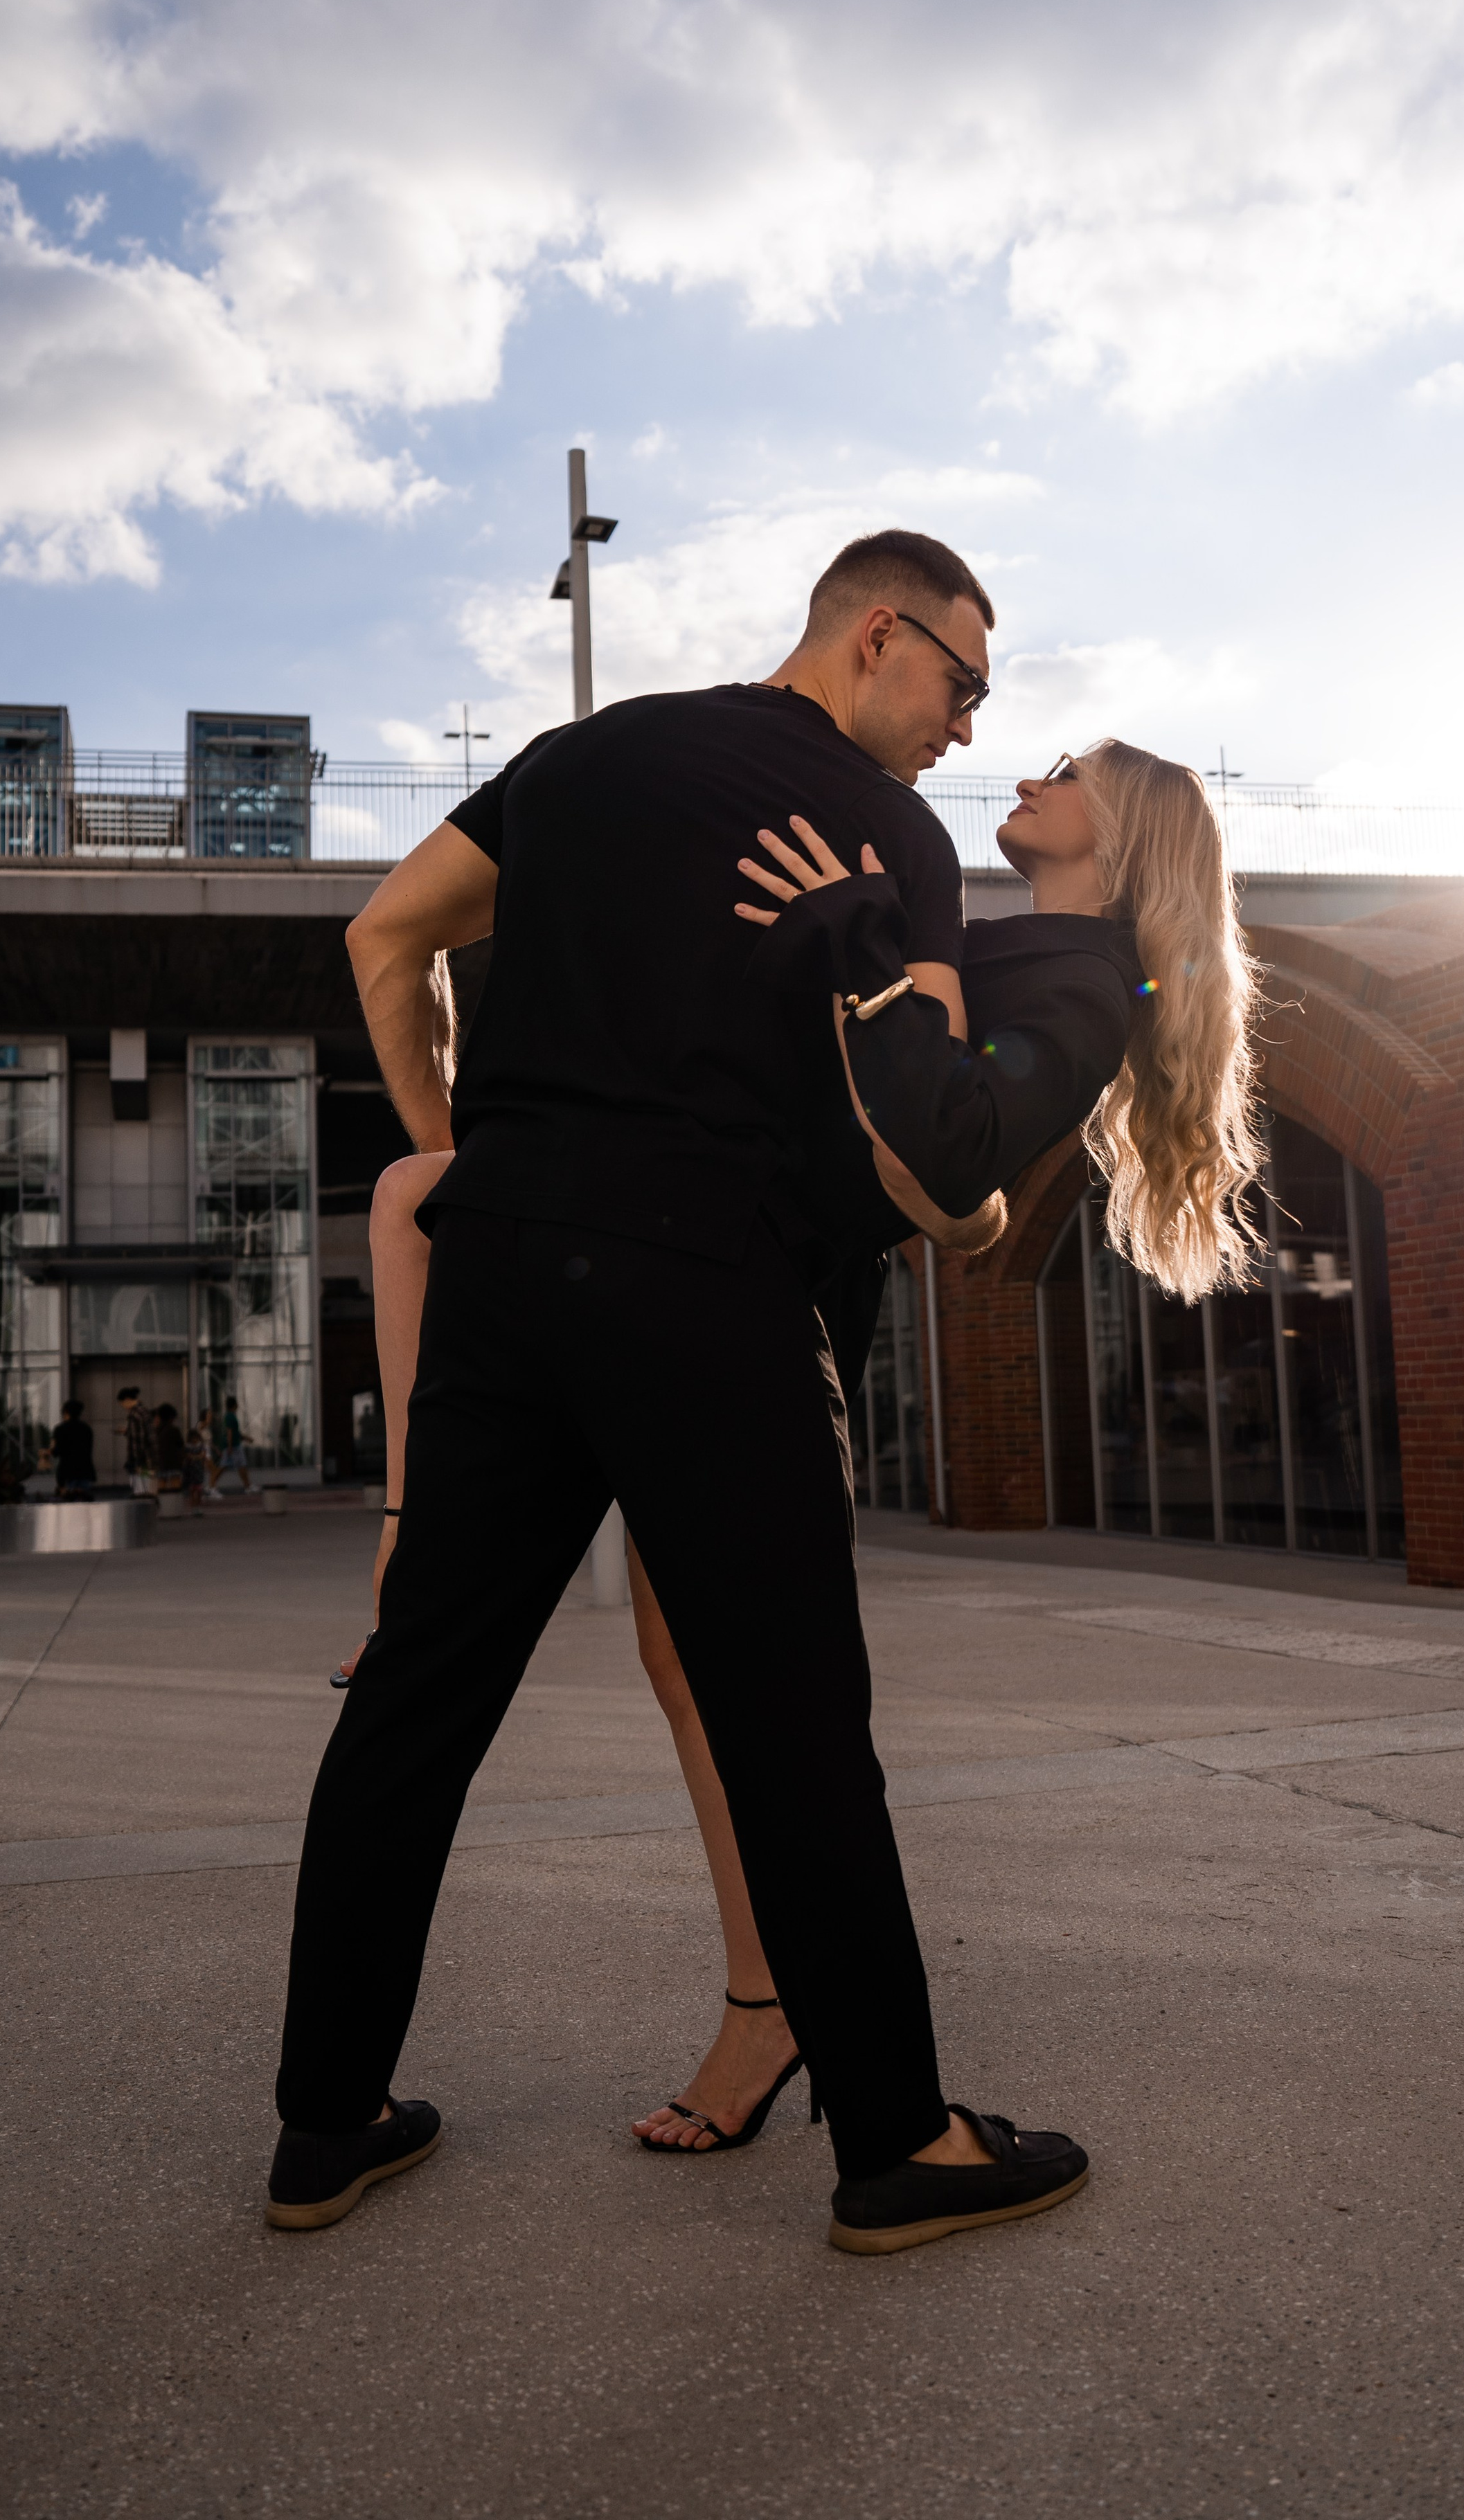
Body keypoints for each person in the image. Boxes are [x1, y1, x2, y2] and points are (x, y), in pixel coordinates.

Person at [268, 528, 1091, 2255]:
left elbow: (382, 934)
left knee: (417, 1696)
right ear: (880, 634)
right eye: (961, 682)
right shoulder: (890, 842)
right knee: (791, 1707)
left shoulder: (583, 755)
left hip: (506, 1260)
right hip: (710, 1275)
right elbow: (911, 1126)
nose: (961, 727)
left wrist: (461, 1150)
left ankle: (325, 2122)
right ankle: (898, 2140)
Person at [341, 734, 1263, 2152]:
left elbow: (952, 1142)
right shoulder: (994, 934)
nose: (1025, 767)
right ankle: (771, 2014)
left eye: (1065, 768)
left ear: (1124, 827)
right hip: (700, 1252)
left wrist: (856, 944)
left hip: (769, 1303)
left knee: (757, 1699)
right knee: (680, 1663)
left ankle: (810, 2046)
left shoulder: (1081, 981)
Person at [51, 1399, 96, 1501]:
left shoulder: (60, 1429)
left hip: (67, 1472)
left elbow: (56, 1452)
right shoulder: (86, 1429)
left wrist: (48, 1451)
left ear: (66, 1413)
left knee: (69, 1504)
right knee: (84, 1502)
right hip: (85, 1470)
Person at [117, 1386, 154, 1498]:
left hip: (139, 1459)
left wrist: (137, 1461)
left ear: (127, 1400)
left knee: (140, 1490)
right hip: (148, 1457)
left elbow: (139, 1439)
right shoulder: (144, 1411)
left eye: (122, 1404)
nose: (124, 1407)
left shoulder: (135, 1414)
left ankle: (143, 1511)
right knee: (148, 1486)